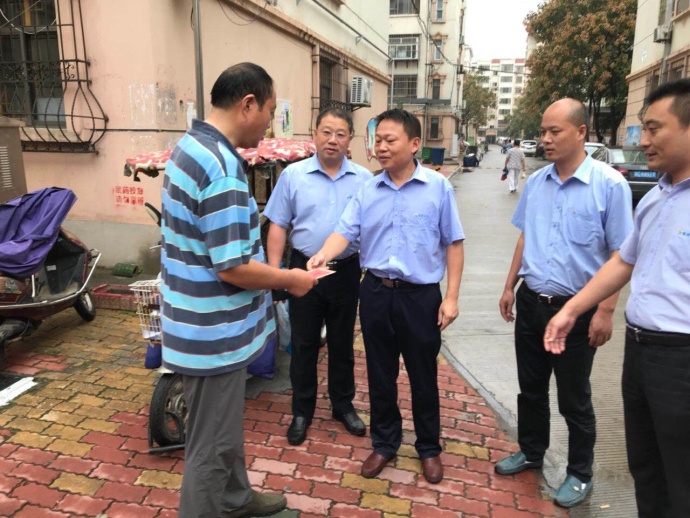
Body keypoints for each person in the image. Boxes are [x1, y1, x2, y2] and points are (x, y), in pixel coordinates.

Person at [160, 63, 316, 518]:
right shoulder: (223, 169)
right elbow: (234, 268)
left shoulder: (191, 146)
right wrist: (291, 279)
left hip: (197, 325)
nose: (269, 123)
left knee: (221, 430)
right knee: (209, 446)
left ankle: (235, 498)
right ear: (248, 104)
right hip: (214, 336)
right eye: (270, 110)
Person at [544, 79, 690, 517]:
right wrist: (572, 310)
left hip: (681, 359)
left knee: (683, 476)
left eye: (654, 128)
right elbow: (623, 261)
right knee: (647, 467)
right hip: (641, 351)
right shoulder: (657, 197)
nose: (642, 141)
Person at [307, 108, 465, 484]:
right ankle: (385, 442)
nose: (381, 147)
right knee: (380, 374)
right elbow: (344, 232)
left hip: (420, 297)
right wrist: (322, 255)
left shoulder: (438, 188)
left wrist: (452, 297)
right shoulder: (368, 189)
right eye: (377, 140)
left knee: (423, 375)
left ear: (414, 144)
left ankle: (429, 447)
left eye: (390, 140)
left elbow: (454, 243)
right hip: (376, 292)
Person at [496, 98, 633, 508]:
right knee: (531, 389)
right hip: (531, 303)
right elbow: (525, 237)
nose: (546, 139)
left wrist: (605, 311)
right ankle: (531, 451)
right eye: (543, 131)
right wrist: (509, 286)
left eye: (555, 131)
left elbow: (621, 254)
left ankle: (580, 473)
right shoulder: (537, 182)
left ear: (581, 133)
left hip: (577, 311)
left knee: (574, 398)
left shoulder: (609, 185)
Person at [263, 107, 373, 445]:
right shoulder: (293, 176)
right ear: (314, 134)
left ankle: (343, 405)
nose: (332, 140)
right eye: (326, 132)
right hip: (303, 270)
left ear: (350, 139)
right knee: (304, 343)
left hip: (346, 271)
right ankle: (302, 411)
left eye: (340, 134)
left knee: (342, 342)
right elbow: (278, 225)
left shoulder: (364, 179)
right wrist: (275, 275)